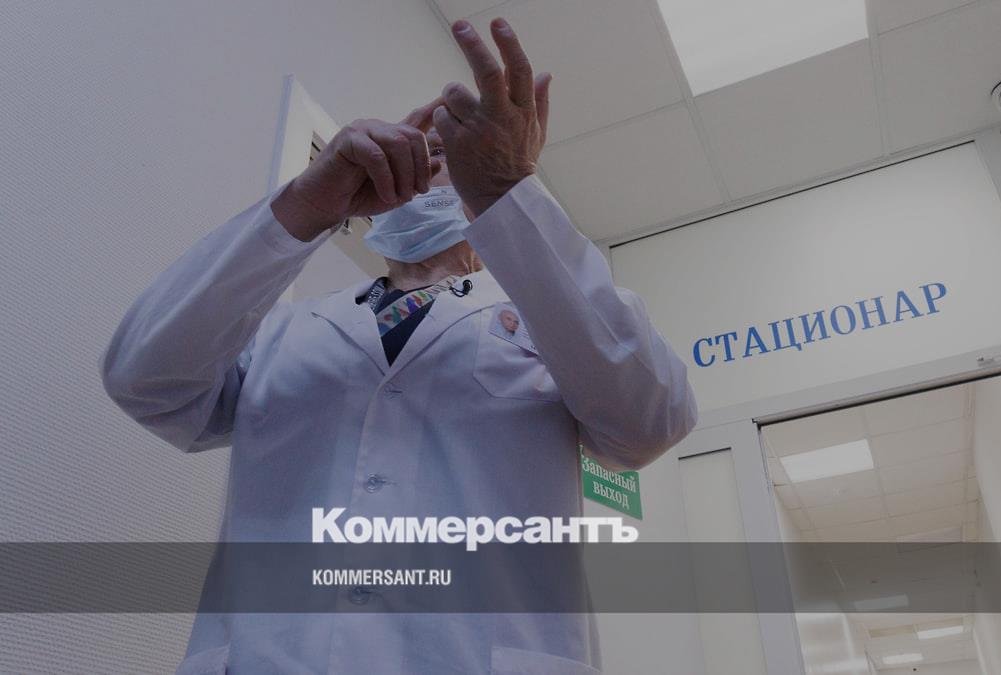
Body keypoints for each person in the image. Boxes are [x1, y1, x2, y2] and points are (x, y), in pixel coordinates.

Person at [101, 16, 697, 675]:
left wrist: (507, 192)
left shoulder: (551, 320)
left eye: (456, 157)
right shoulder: (286, 331)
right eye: (420, 153)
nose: (434, 167)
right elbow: (144, 380)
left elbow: (651, 422)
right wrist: (305, 205)